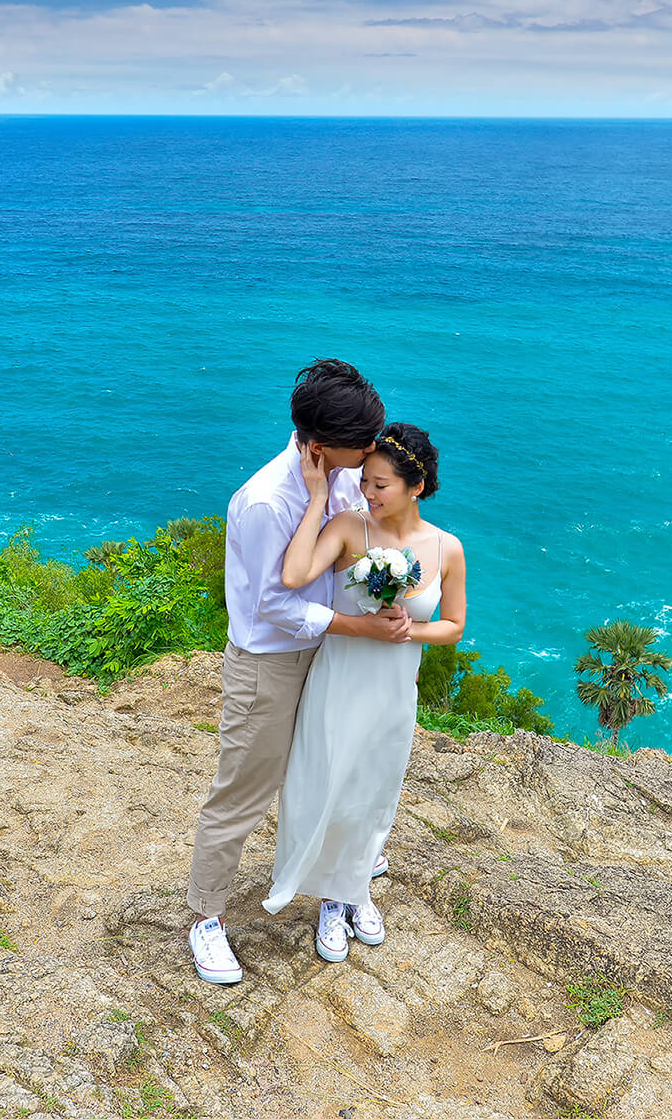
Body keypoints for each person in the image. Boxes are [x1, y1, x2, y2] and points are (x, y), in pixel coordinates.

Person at [185, 360, 413, 986]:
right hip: (270, 664)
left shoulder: (339, 478)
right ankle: (206, 917)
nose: (372, 450)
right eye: (361, 442)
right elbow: (271, 606)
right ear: (321, 444)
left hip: (331, 654)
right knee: (246, 790)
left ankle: (341, 878)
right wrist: (360, 628)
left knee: (333, 773)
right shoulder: (264, 502)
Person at [267, 422, 465, 961]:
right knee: (329, 782)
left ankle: (355, 888)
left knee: (375, 791)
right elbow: (292, 575)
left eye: (380, 485)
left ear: (415, 487)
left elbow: (452, 625)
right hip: (341, 679)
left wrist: (408, 630)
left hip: (395, 689)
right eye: (365, 482)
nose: (367, 494)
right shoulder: (349, 528)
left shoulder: (447, 548)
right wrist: (316, 500)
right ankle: (331, 900)